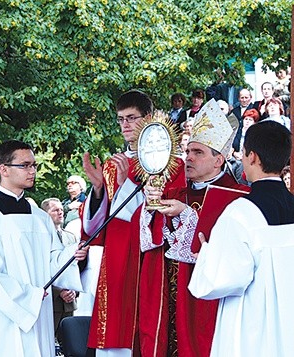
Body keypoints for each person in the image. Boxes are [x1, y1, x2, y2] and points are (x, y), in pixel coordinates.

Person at [188, 121, 294, 356]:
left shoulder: (239, 214)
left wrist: (207, 253)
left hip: (252, 336)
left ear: (252, 156)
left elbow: (221, 280)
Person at [0, 140, 87, 356]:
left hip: (37, 312)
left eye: (33, 165)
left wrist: (74, 255)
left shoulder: (40, 219)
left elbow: (52, 262)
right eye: (25, 165)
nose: (32, 171)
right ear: (4, 169)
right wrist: (28, 296)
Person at [82, 90, 186, 356]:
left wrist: (128, 182)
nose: (125, 125)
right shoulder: (111, 164)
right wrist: (96, 190)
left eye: (131, 118)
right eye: (120, 119)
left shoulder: (171, 164)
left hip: (149, 258)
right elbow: (96, 229)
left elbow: (160, 217)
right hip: (116, 258)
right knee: (115, 328)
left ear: (148, 117)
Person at [141, 99, 248, 356]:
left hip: (209, 300)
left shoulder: (237, 196)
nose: (187, 158)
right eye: (187, 151)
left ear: (219, 160)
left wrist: (186, 214)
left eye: (197, 153)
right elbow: (151, 241)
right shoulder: (175, 191)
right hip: (171, 293)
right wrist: (150, 206)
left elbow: (223, 249)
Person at [41, 197, 83, 336]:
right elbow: (41, 269)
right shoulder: (39, 238)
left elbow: (76, 266)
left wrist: (74, 290)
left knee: (69, 343)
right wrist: (59, 292)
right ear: (45, 214)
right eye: (55, 210)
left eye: (61, 209)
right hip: (50, 300)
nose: (60, 212)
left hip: (69, 301)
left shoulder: (71, 237)